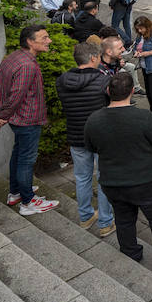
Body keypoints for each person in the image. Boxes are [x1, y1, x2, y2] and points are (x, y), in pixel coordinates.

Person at [85, 72, 152, 275]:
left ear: (108, 92)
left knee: (124, 220)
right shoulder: (143, 117)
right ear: (132, 91)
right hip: (146, 181)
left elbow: (91, 147)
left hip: (112, 182)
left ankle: (130, 253)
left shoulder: (94, 119)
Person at [0, 25, 60, 215]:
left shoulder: (15, 57)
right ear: (30, 41)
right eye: (44, 38)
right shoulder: (28, 65)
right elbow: (15, 95)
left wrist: (3, 115)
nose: (49, 41)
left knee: (18, 154)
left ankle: (16, 192)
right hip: (26, 120)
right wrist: (1, 117)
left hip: (17, 119)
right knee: (26, 160)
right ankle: (28, 202)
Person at [55, 41, 115, 236]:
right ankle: (106, 222)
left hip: (76, 135)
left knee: (82, 178)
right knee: (104, 178)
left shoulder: (62, 80)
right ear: (93, 58)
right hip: (101, 137)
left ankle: (85, 216)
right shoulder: (103, 80)